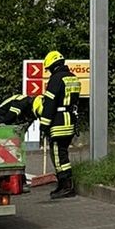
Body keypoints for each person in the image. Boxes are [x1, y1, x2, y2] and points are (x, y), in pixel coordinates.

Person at [35, 50, 79, 199]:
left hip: (58, 122)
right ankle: (64, 185)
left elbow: (49, 105)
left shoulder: (55, 80)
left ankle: (66, 186)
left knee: (58, 156)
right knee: (63, 153)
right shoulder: (72, 78)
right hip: (70, 121)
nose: (48, 72)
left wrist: (44, 126)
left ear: (53, 66)